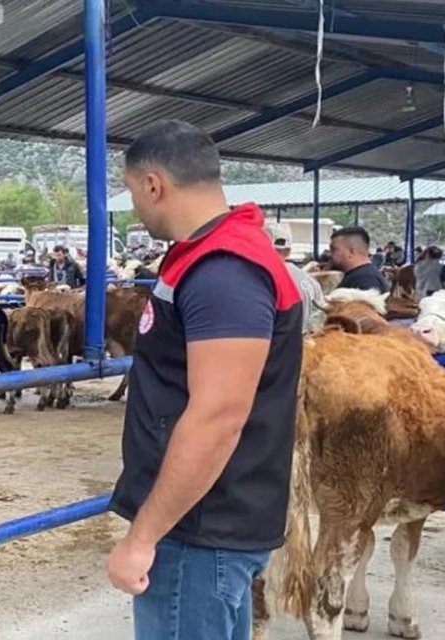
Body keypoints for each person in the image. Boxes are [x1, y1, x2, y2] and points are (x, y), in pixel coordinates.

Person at [105, 120, 303, 640]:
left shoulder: (223, 271)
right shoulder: (214, 254)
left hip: (198, 530)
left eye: (131, 191)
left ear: (154, 184)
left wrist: (142, 537)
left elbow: (218, 418)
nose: (135, 206)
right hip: (207, 523)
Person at [328, 227, 390, 292]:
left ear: (351, 252)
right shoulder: (362, 276)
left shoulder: (365, 279)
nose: (329, 254)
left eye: (334, 249)